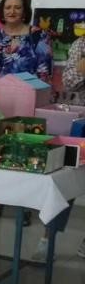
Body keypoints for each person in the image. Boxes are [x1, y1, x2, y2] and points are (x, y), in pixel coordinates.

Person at [0, 0, 51, 226]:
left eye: (17, 7)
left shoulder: (38, 36)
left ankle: (23, 205)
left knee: (24, 152)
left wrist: (38, 99)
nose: (12, 11)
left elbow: (44, 72)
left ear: (25, 11)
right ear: (1, 11)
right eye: (8, 7)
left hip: (28, 104)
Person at [61, 35, 85, 260]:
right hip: (82, 123)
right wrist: (82, 68)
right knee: (66, 177)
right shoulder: (81, 44)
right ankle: (48, 237)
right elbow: (68, 81)